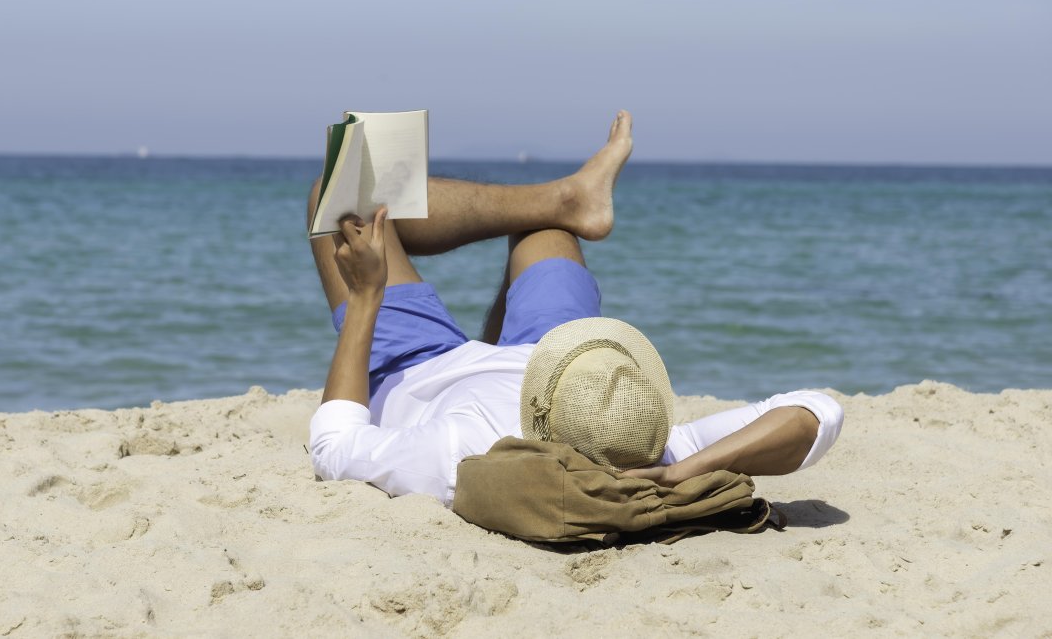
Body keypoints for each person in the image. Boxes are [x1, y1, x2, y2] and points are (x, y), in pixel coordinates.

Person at [307, 111, 842, 505]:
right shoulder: (645, 446)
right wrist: (681, 472)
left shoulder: (459, 452)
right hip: (560, 363)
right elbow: (816, 411)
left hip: (424, 367)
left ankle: (563, 196)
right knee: (546, 231)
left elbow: (334, 445)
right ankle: (565, 200)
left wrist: (368, 295)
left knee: (342, 201)